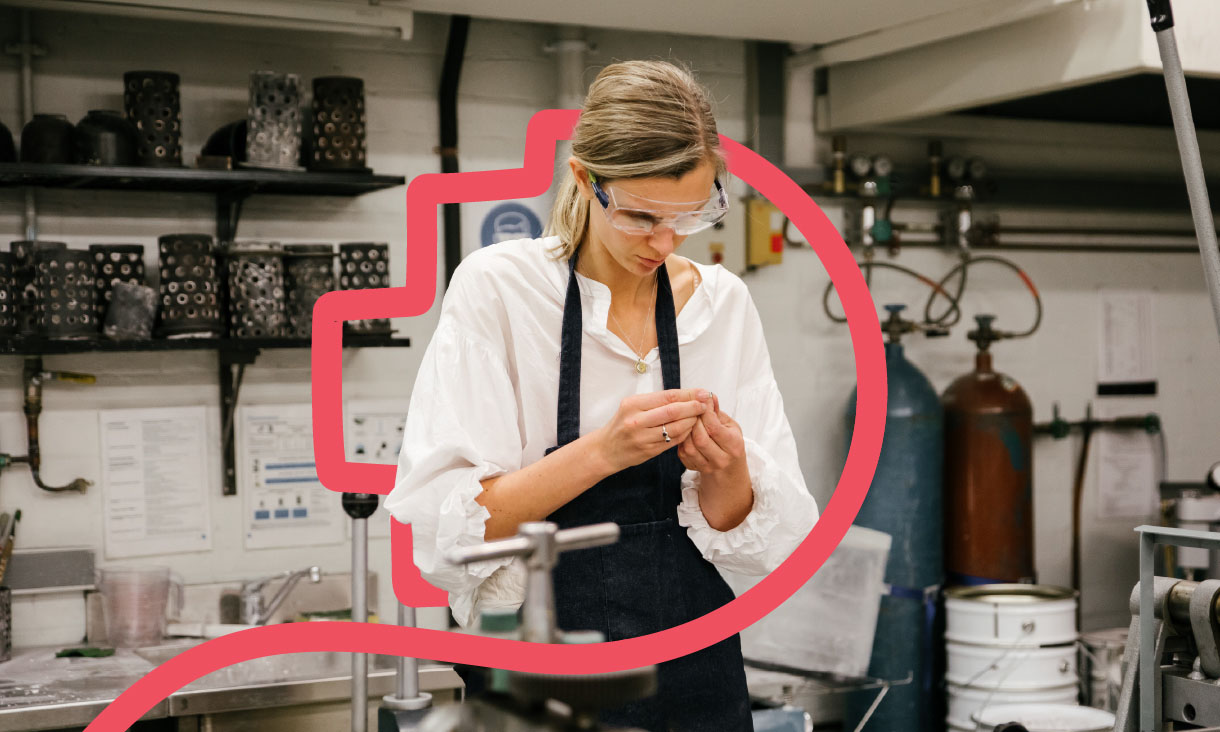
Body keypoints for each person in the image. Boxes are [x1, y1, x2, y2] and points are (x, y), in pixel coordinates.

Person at [387, 59, 818, 731]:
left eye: (691, 215)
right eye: (643, 215)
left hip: (693, 676)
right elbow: (455, 534)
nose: (666, 241)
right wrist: (603, 452)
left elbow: (749, 538)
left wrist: (727, 471)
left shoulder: (723, 307)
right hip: (538, 675)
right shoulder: (501, 291)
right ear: (587, 180)